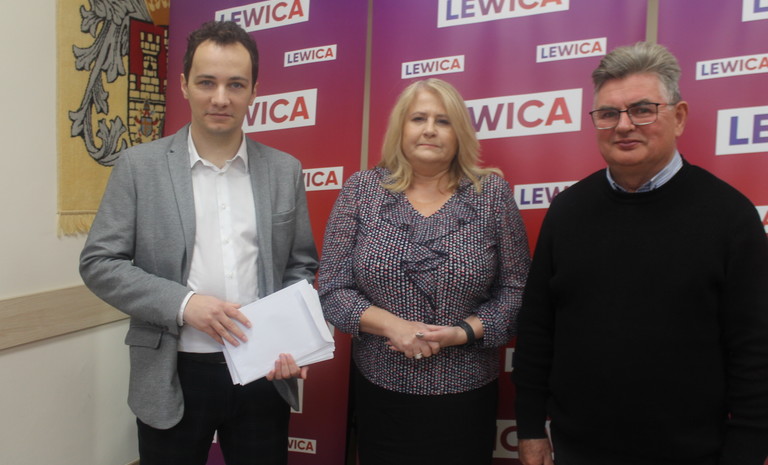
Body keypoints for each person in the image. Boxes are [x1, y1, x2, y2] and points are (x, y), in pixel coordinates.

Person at [512, 41, 768, 465]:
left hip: (693, 454)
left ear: (678, 117)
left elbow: (755, 351)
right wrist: (530, 428)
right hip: (578, 451)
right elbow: (538, 329)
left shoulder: (730, 216)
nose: (624, 126)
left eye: (642, 110)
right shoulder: (567, 211)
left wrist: (747, 451)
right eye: (608, 114)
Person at [79, 20, 318, 465]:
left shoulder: (285, 170)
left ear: (254, 90)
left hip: (262, 372)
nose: (221, 98)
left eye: (235, 84)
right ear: (184, 85)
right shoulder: (138, 167)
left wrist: (291, 339)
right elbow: (100, 263)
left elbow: (300, 265)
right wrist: (185, 304)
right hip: (172, 372)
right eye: (207, 82)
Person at [318, 78, 531, 465]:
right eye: (419, 118)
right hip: (381, 393)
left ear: (459, 132)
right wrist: (392, 326)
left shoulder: (492, 195)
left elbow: (517, 292)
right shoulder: (361, 190)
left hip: (466, 397)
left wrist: (462, 333)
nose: (430, 129)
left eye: (443, 120)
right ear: (401, 128)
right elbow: (333, 288)